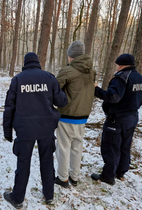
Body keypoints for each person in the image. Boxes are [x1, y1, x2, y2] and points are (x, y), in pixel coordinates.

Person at [3, 52, 67, 209]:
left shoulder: (18, 80)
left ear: (25, 63)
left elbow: (9, 107)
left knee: (23, 164)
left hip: (24, 130)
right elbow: (61, 101)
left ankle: (17, 198)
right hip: (46, 128)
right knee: (47, 162)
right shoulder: (49, 78)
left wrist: (7, 130)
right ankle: (49, 196)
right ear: (38, 63)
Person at [91, 53, 142, 185]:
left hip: (117, 119)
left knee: (111, 146)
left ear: (120, 65)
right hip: (132, 117)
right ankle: (121, 171)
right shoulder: (141, 78)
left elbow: (113, 97)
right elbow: (141, 99)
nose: (116, 67)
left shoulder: (121, 78)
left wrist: (96, 90)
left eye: (117, 64)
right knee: (124, 145)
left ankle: (108, 175)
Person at [55, 40, 96, 188]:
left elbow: (54, 90)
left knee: (63, 148)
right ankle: (75, 177)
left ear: (70, 55)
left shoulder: (68, 71)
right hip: (83, 116)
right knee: (77, 148)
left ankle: (63, 178)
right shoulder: (91, 71)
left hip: (67, 115)